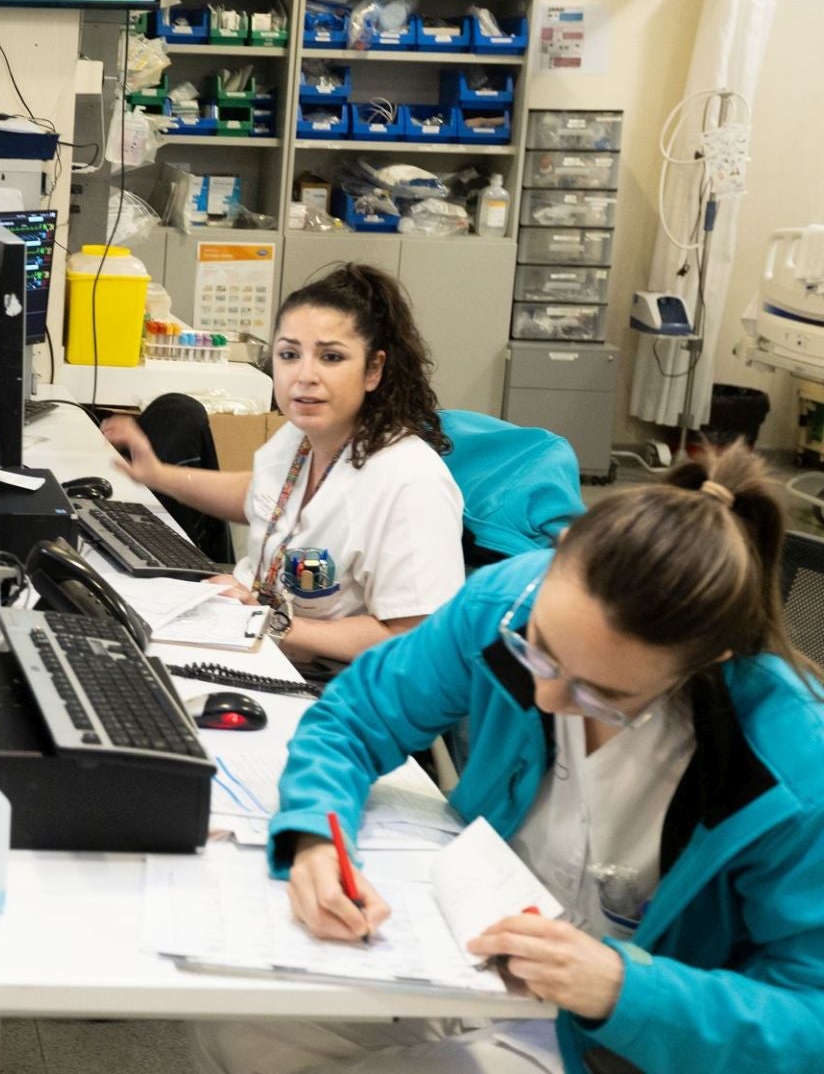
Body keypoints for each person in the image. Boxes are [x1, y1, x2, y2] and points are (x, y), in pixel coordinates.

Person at [189, 446, 824, 1074]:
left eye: (600, 694)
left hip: (625, 1040)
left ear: (705, 662)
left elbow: (810, 1021)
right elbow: (355, 716)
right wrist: (315, 836)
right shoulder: (508, 603)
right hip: (467, 954)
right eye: (539, 651)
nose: (545, 695)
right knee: (243, 1029)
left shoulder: (792, 765)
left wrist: (622, 989)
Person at [102, 264, 464, 667]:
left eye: (331, 357)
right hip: (251, 638)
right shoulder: (302, 436)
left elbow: (420, 639)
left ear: (373, 370)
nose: (304, 376)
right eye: (289, 355)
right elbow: (262, 495)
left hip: (334, 687)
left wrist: (273, 624)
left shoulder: (409, 480)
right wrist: (158, 475)